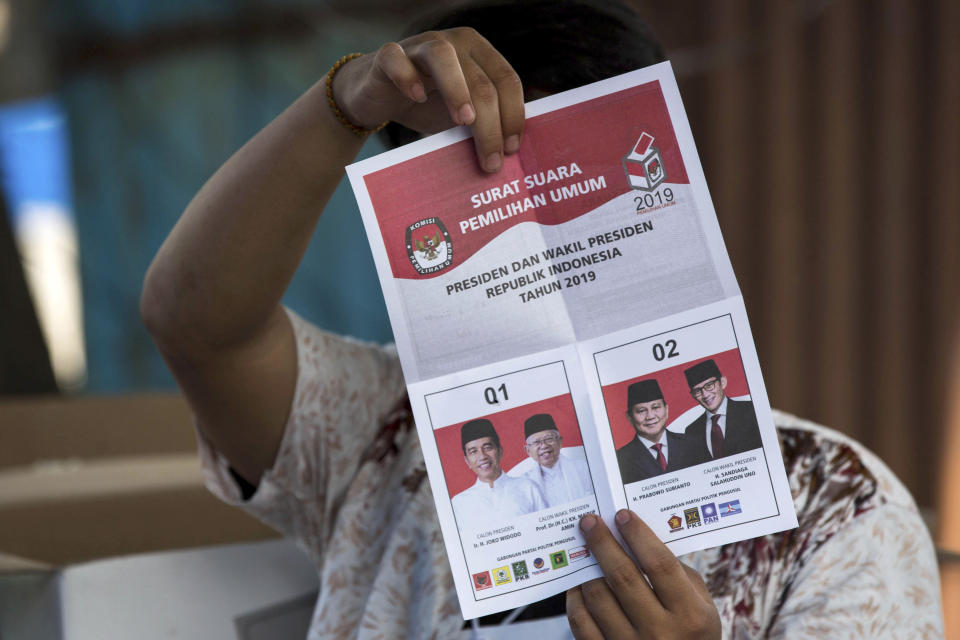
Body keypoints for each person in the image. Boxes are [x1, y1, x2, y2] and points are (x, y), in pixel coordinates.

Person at [140, 0, 944, 637]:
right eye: (460, 193)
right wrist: (342, 106)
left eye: (574, 182)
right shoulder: (386, 432)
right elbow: (197, 325)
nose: (521, 229)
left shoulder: (837, 506)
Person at [451, 418, 547, 529]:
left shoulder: (528, 487)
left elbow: (547, 530)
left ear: (500, 451)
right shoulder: (459, 503)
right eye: (473, 451)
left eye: (487, 448)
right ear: (467, 461)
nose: (482, 456)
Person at [616, 379, 703, 483]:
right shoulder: (620, 459)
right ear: (629, 417)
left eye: (655, 407)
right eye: (641, 411)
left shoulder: (692, 444)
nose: (650, 416)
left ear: (666, 410)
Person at [682, 359, 762, 460]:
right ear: (693, 396)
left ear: (722, 382)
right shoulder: (692, 431)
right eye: (698, 391)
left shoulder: (751, 411)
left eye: (709, 385)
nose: (705, 395)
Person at [520, 413, 593, 507]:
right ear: (528, 450)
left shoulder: (585, 468)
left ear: (560, 441)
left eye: (549, 439)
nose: (544, 445)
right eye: (536, 442)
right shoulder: (524, 483)